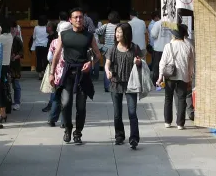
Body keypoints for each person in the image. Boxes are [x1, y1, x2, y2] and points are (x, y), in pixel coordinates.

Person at [51, 9, 102, 145]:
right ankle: (68, 128)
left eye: (80, 17)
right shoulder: (64, 35)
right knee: (66, 103)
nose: (78, 20)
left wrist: (90, 63)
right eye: (76, 17)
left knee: (81, 107)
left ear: (84, 19)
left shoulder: (89, 36)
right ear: (70, 20)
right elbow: (56, 55)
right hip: (68, 73)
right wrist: (51, 73)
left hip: (82, 74)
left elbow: (98, 55)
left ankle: (78, 133)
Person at [105, 22, 144, 149]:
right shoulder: (113, 49)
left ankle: (134, 138)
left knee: (132, 112)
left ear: (126, 34)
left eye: (119, 32)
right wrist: (108, 71)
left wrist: (138, 62)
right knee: (117, 113)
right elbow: (107, 64)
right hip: (115, 83)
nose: (117, 34)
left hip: (131, 84)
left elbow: (141, 62)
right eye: (116, 32)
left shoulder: (135, 48)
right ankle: (119, 136)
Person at [159, 24, 194, 129]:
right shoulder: (188, 46)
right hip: (183, 75)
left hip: (170, 76)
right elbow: (191, 64)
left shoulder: (168, 46)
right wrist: (190, 77)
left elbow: (162, 63)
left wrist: (160, 76)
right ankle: (180, 124)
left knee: (168, 98)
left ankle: (167, 122)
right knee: (182, 99)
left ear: (174, 35)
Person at [42, 20, 71, 125]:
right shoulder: (71, 42)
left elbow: (49, 57)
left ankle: (52, 119)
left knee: (56, 97)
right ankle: (64, 121)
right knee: (66, 98)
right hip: (68, 73)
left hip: (56, 73)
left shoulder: (54, 42)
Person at [148, 11, 171, 85]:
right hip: (169, 48)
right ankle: (168, 82)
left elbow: (153, 35)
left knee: (157, 66)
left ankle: (157, 82)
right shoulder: (172, 23)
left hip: (159, 48)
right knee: (168, 66)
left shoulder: (157, 23)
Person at [9, 21, 24, 110]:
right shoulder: (6, 38)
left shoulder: (17, 39)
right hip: (7, 65)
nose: (13, 30)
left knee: (16, 85)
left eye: (14, 28)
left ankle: (17, 102)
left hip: (15, 65)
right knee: (7, 85)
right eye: (11, 28)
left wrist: (15, 57)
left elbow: (22, 52)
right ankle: (9, 102)